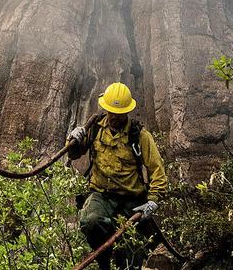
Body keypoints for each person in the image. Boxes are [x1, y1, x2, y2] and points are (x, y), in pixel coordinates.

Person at [66, 82, 169, 270]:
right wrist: (74, 139)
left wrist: (153, 200)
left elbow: (157, 171)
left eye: (118, 113)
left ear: (126, 112)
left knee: (131, 256)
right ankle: (104, 262)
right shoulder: (95, 129)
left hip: (131, 201)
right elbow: (74, 154)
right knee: (91, 222)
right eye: (110, 111)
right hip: (101, 195)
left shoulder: (140, 136)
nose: (113, 116)